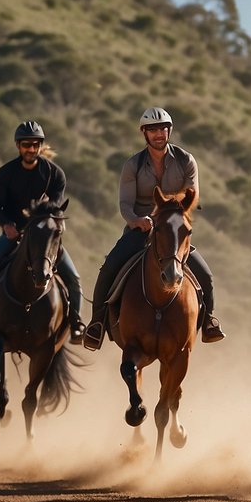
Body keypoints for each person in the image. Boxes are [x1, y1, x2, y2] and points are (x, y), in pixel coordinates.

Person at [82, 107, 225, 345]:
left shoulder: (185, 160)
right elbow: (125, 204)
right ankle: (96, 323)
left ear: (169, 131)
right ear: (144, 133)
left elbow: (192, 195)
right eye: (153, 130)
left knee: (206, 276)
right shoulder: (133, 165)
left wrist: (168, 214)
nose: (159, 134)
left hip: (171, 229)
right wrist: (136, 220)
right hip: (141, 229)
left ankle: (209, 321)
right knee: (108, 268)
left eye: (163, 129)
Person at [0, 120, 85, 340]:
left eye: (35, 145)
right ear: (18, 146)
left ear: (40, 146)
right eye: (26, 144)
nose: (31, 149)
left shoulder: (55, 174)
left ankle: (76, 323)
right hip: (13, 234)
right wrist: (6, 225)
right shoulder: (5, 173)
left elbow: (54, 208)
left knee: (73, 278)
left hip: (43, 237)